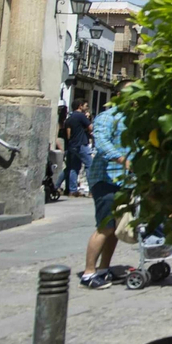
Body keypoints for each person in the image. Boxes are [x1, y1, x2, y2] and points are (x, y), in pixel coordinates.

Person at [82, 80, 132, 289]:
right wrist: (123, 160)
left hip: (125, 180)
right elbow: (102, 144)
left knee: (115, 228)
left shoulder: (133, 119)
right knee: (105, 227)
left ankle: (104, 268)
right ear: (120, 96)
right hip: (106, 178)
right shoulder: (106, 118)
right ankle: (89, 273)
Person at [63, 99, 93, 196]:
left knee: (74, 167)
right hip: (81, 144)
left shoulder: (70, 117)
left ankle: (72, 190)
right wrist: (88, 120)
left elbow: (68, 134)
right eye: (85, 105)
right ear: (80, 106)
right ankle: (92, 190)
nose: (86, 107)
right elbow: (91, 128)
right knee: (89, 165)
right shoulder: (81, 116)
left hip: (73, 145)